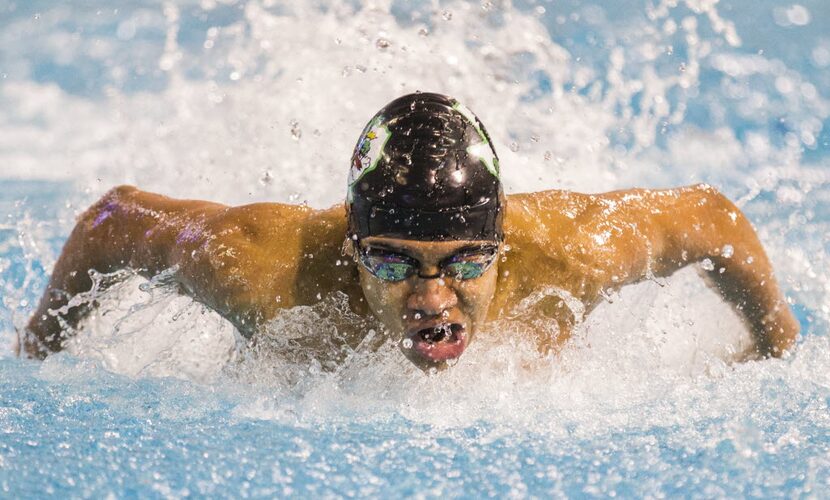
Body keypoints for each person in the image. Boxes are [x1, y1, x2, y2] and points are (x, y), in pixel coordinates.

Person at [19, 92, 799, 370]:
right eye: (392, 262)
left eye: (464, 261)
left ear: (500, 246)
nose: (433, 297)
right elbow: (112, 219)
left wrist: (774, 344)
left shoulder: (572, 254)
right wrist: (37, 354)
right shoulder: (261, 268)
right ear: (353, 251)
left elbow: (711, 217)